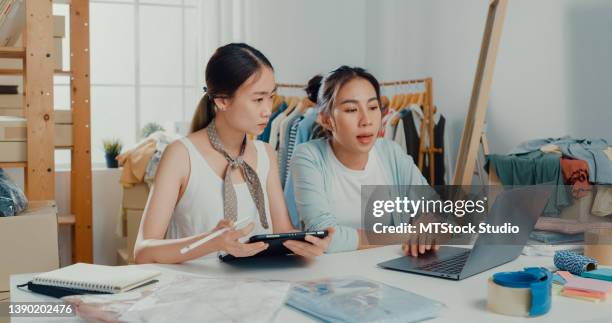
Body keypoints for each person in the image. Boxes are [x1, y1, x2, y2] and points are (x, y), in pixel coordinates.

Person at [134, 43, 334, 264]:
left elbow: (283, 232)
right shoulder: (181, 155)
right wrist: (211, 242)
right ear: (222, 100)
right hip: (195, 293)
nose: (267, 109)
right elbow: (143, 251)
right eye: (258, 99)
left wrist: (307, 245)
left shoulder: (265, 153)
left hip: (257, 291)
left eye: (271, 97)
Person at [287, 66, 440, 256]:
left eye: (373, 107)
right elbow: (325, 237)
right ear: (326, 120)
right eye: (351, 109)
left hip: (393, 273)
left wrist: (428, 220)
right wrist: (404, 234)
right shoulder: (308, 157)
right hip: (332, 280)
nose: (366, 120)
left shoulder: (391, 152)